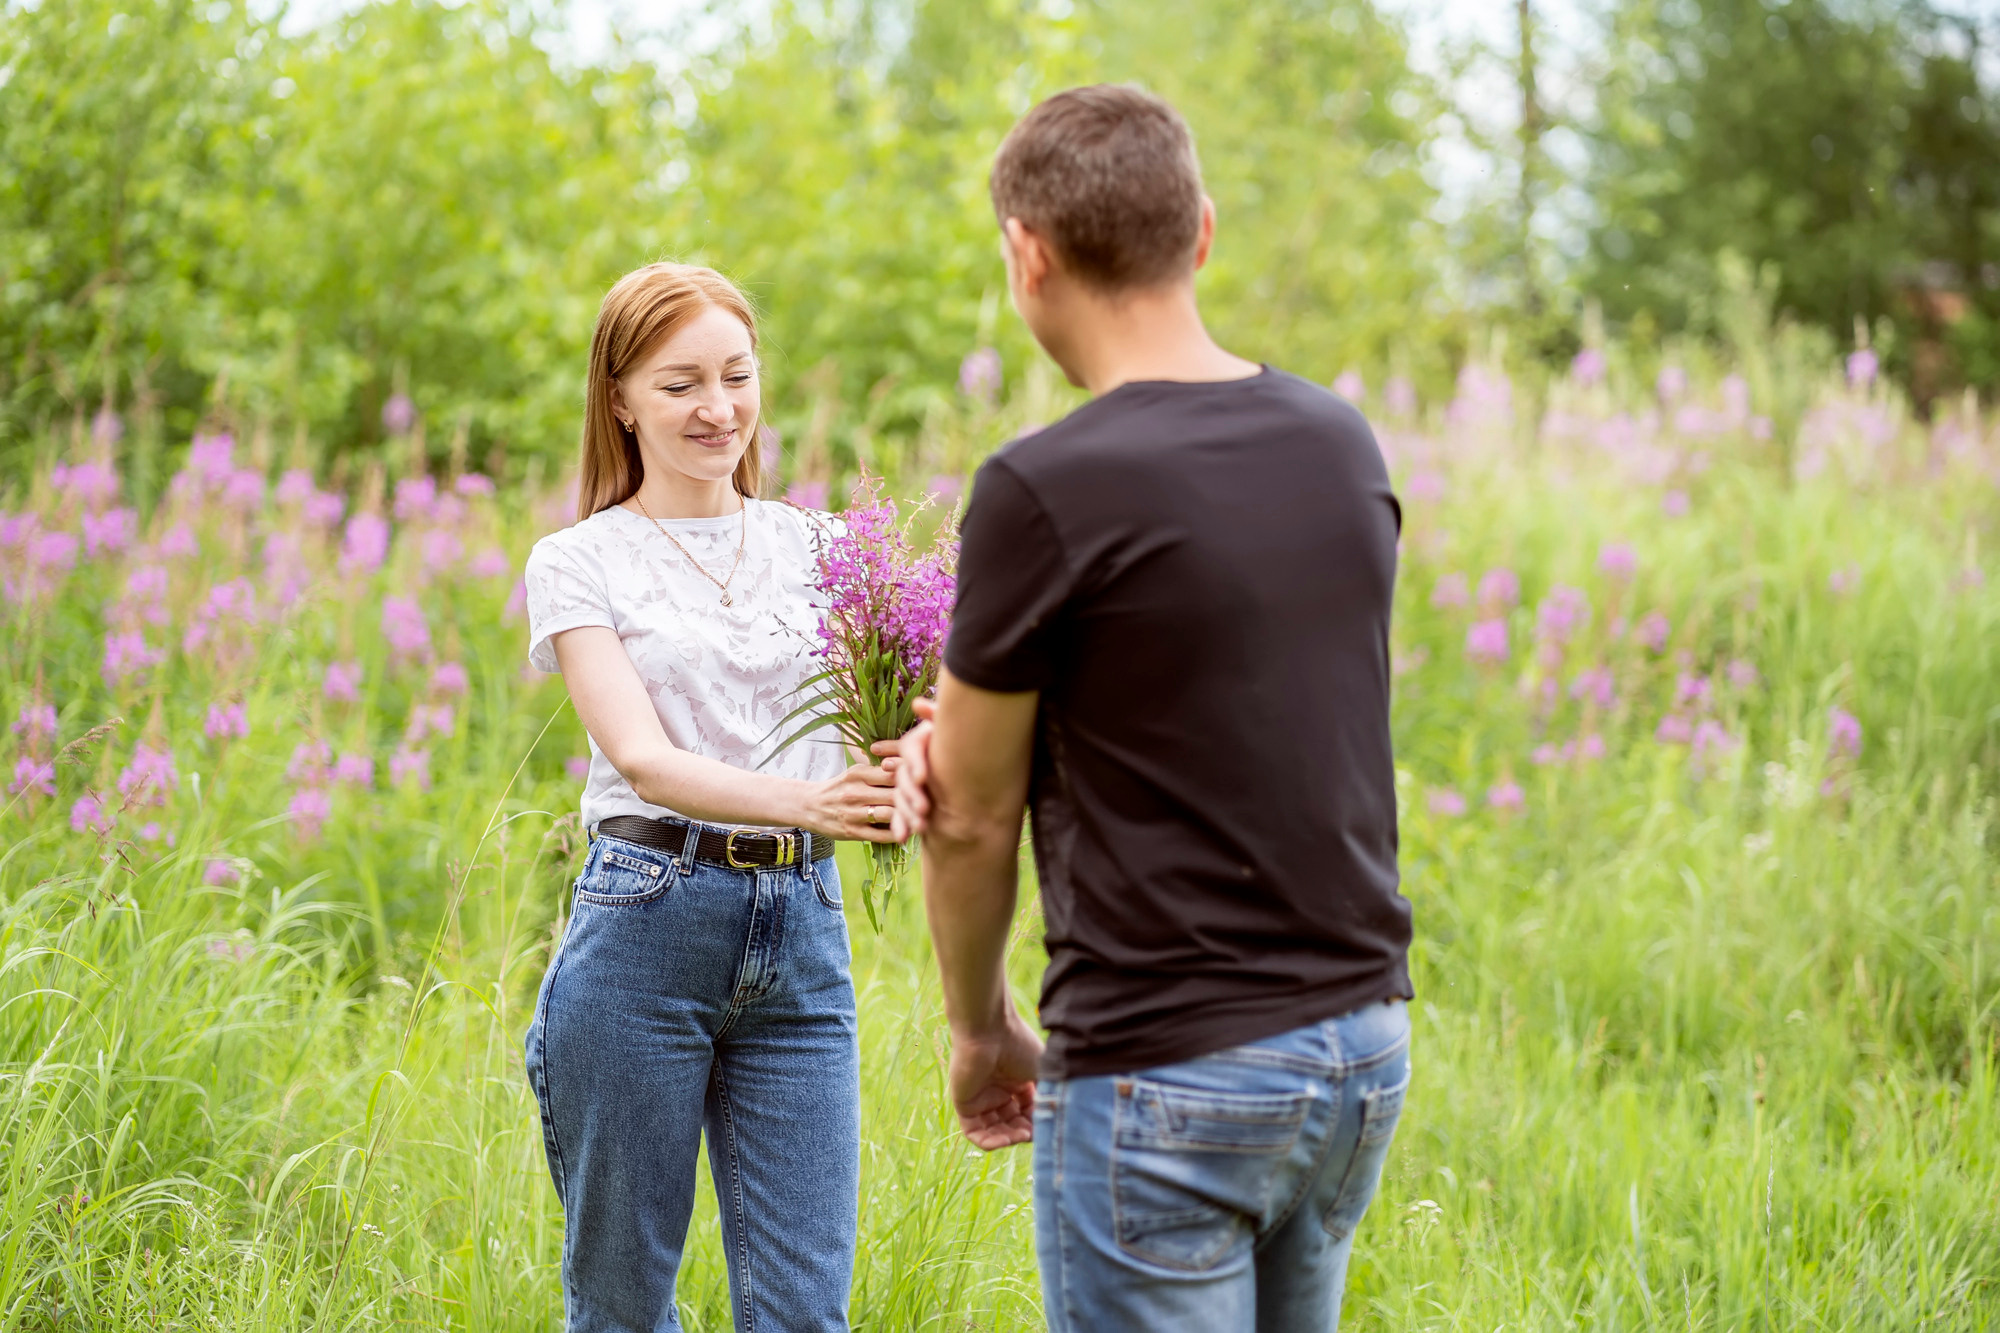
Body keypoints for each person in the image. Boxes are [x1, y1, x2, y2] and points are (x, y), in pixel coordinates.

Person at [892, 86, 1415, 1330]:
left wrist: (978, 1029)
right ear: (1202, 231)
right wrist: (984, 735)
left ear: (1028, 255)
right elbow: (1223, 698)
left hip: (1168, 1067)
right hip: (1355, 1043)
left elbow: (968, 816)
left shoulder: (1042, 486)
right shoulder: (1338, 444)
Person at [521, 262, 901, 1333]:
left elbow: (898, 720)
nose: (718, 408)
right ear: (620, 398)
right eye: (681, 382)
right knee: (623, 1308)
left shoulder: (827, 548)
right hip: (646, 924)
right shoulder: (579, 562)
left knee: (801, 1315)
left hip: (804, 937)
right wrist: (809, 802)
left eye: (736, 376)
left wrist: (909, 770)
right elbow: (640, 758)